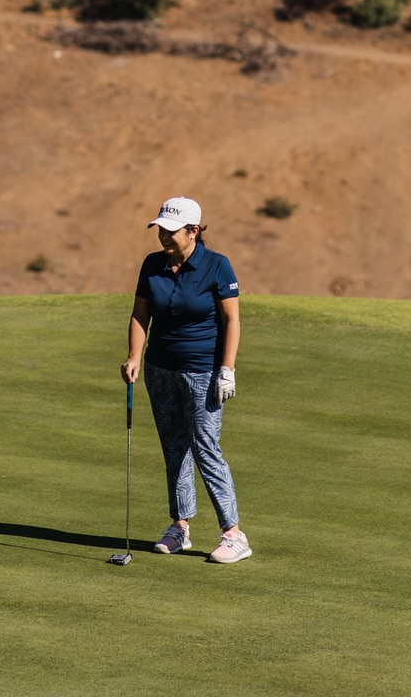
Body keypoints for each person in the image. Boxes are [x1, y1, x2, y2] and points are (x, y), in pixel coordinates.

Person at [120, 196, 251, 563]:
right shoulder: (152, 265)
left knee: (206, 448)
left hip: (203, 372)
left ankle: (233, 534)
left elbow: (232, 321)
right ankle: (180, 527)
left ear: (193, 231)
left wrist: (227, 369)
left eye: (171, 230)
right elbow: (139, 314)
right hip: (159, 370)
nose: (163, 236)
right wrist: (134, 356)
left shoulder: (217, 266)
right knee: (174, 447)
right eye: (160, 229)